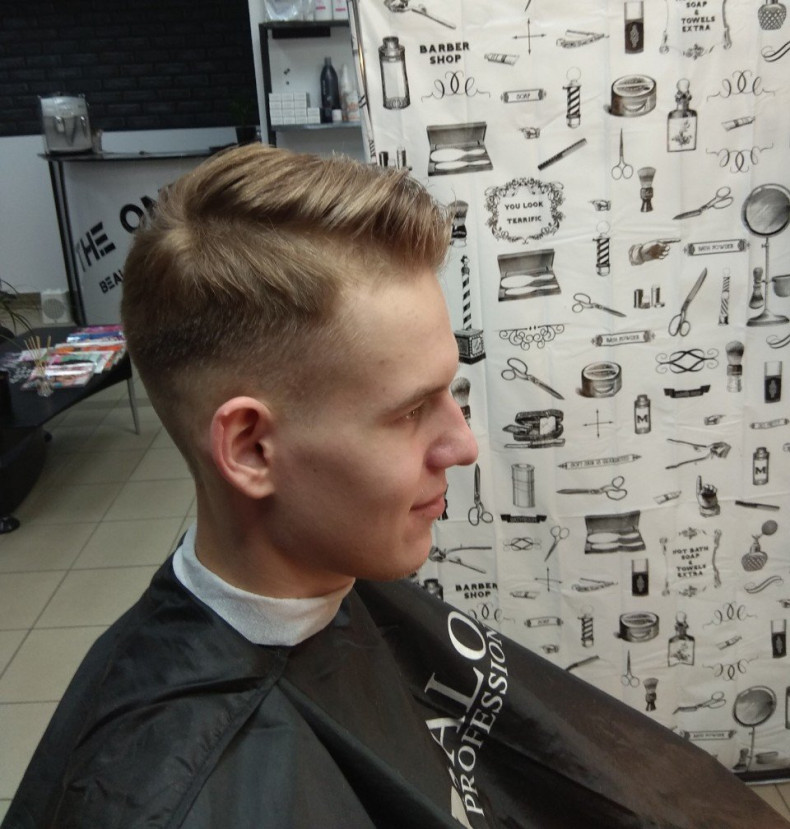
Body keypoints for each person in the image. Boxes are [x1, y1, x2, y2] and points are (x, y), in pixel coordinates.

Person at [4, 146, 784, 828]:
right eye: (410, 411)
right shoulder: (172, 790)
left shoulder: (342, 585)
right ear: (251, 448)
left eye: (450, 392)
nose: (464, 444)